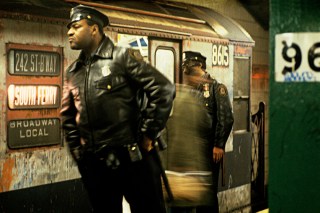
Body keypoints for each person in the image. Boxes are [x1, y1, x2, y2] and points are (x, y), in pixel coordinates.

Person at [60, 5, 175, 213]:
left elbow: (163, 89)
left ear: (94, 29)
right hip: (96, 165)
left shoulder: (122, 57)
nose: (69, 32)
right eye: (70, 28)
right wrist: (79, 154)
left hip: (133, 160)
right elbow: (67, 116)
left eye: (76, 27)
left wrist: (149, 133)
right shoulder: (73, 71)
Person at [168, 51, 234, 213]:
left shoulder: (216, 88)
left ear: (199, 66)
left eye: (189, 67)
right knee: (191, 194)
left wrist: (218, 145)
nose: (186, 71)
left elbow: (225, 118)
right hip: (193, 151)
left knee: (208, 195)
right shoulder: (186, 88)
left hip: (210, 150)